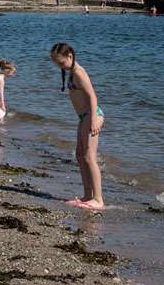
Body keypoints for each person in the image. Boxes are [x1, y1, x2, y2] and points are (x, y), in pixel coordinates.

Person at [50, 42, 105, 211]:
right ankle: (87, 196)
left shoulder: (79, 73)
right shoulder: (71, 72)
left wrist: (94, 120)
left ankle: (98, 200)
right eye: (56, 63)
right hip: (83, 117)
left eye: (61, 62)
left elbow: (92, 97)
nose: (59, 66)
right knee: (80, 155)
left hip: (92, 115)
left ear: (70, 56)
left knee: (89, 156)